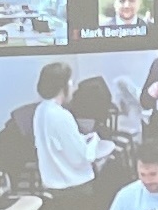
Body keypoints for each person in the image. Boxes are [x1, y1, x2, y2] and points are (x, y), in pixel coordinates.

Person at [32, 58, 110, 194]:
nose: (73, 89)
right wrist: (94, 141)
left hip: (52, 184)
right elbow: (81, 157)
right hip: (73, 188)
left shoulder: (40, 110)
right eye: (70, 82)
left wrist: (81, 140)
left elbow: (58, 144)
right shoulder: (61, 116)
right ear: (62, 87)